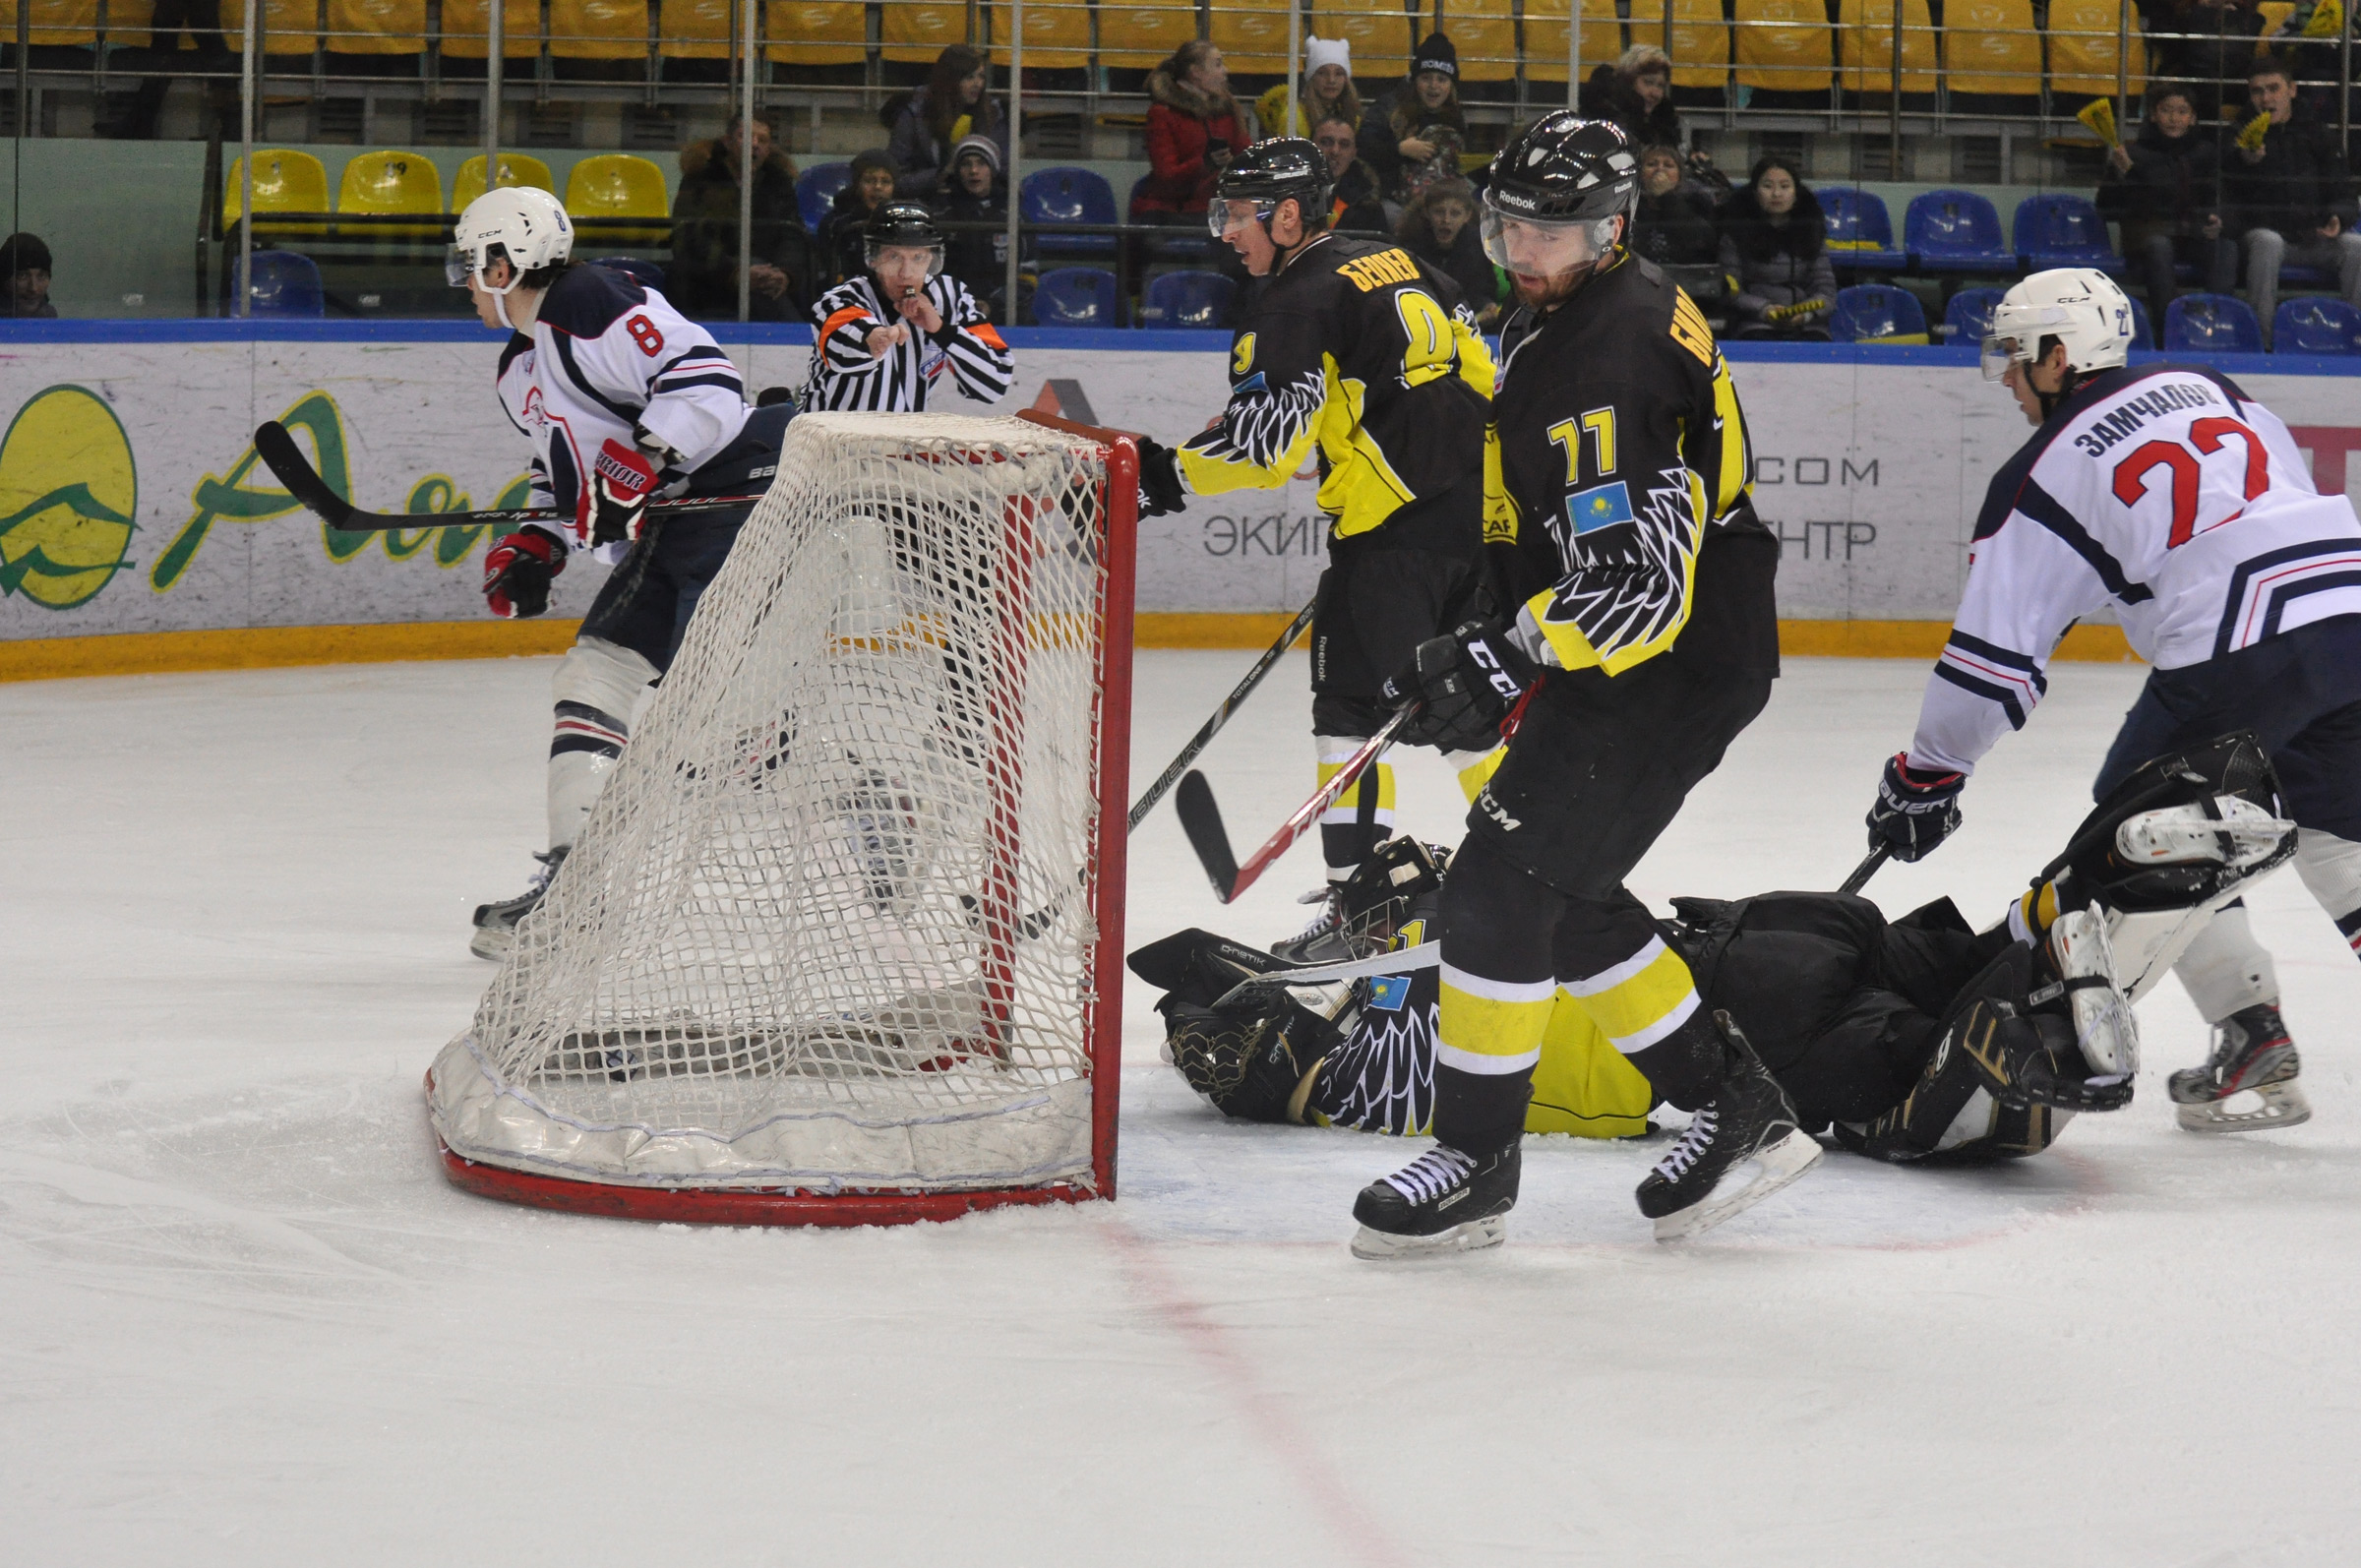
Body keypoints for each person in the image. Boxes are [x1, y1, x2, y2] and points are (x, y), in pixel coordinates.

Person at [1350, 114, 1795, 1259]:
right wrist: (1486, 633)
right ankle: (1732, 1105)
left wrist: (1507, 652)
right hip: (1650, 647)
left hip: (1669, 659)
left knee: (1499, 892)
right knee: (1566, 886)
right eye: (1512, 226)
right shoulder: (1582, 309)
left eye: (1555, 232)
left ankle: (1476, 1161)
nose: (1524, 250)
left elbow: (1640, 585)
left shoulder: (1609, 348)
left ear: (1612, 230)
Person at [1137, 742, 2306, 1163]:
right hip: (1753, 934)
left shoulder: (1397, 1078)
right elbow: (1434, 891)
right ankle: (2107, 886)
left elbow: (1293, 1018)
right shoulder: (1403, 1027)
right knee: (1969, 951)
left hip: (1749, 1031)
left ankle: (2074, 977)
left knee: (1943, 1067)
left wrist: (1253, 988)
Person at [1862, 267, 2361, 1135]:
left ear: (2057, 357)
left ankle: (2246, 1025)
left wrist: (1927, 774)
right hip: (2353, 598)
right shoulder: (2204, 384)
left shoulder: (2043, 470)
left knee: (2138, 833)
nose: (2011, 383)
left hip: (2243, 635)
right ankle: (2246, 1027)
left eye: (2017, 362)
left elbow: (1989, 661)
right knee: (2339, 836)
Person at [1128, 139, 1494, 959]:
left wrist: (1165, 480)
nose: (1226, 231)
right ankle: (1367, 899)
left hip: (1395, 531)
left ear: (1289, 215)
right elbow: (1480, 367)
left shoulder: (1292, 301)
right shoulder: (1391, 258)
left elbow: (1263, 450)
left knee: (1438, 714)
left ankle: (1532, 882)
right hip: (1468, 519)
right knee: (1380, 705)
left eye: (1240, 214)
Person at [446, 187, 789, 958]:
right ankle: (576, 894)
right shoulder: (518, 367)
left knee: (725, 719)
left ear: (506, 263)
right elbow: (568, 476)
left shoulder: (592, 298)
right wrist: (538, 542)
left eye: (472, 266)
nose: (465, 283)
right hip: (676, 526)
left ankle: (884, 808)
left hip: (732, 501)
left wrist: (644, 460)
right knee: (593, 678)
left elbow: (707, 385)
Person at [800, 202, 1014, 412]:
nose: (906, 273)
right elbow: (844, 351)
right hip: (830, 443)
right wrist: (875, 338)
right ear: (873, 258)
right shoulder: (839, 301)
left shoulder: (952, 298)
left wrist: (942, 330)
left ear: (931, 258)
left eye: (918, 258)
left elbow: (995, 383)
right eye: (894, 257)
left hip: (902, 445)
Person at [2222, 55, 2361, 345]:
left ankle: (2355, 338)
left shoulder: (2318, 133)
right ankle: (2263, 340)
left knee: (2356, 246)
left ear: (2292, 90)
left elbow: (2343, 190)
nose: (2266, 98)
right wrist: (2246, 164)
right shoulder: (2237, 135)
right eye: (2257, 91)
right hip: (2266, 236)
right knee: (2267, 243)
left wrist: (2338, 216)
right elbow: (2226, 196)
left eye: (2273, 89)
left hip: (2313, 236)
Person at [2096, 86, 2237, 329]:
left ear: (2192, 118)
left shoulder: (2206, 153)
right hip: (2149, 239)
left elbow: (2219, 197)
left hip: (2193, 236)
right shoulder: (2132, 154)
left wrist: (2217, 220)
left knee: (2226, 248)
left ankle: (2217, 322)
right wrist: (2122, 176)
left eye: (2182, 111)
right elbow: (2106, 208)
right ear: (2153, 115)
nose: (2174, 119)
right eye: (2166, 110)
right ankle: (2169, 329)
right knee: (2159, 245)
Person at [669, 111, 810, 323]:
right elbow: (690, 239)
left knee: (780, 280)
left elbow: (791, 234)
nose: (754, 144)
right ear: (728, 142)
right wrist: (735, 272)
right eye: (746, 136)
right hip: (708, 279)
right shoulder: (701, 178)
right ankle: (799, 340)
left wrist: (785, 273)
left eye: (762, 140)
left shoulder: (778, 181)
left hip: (765, 274)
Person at [1131, 40, 1249, 227]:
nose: (1225, 71)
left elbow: (1245, 155)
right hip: (1171, 210)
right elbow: (1166, 177)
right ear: (1196, 72)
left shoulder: (1228, 110)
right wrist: (1204, 164)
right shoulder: (1163, 113)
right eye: (1217, 64)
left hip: (1214, 209)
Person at [1717, 155, 1837, 338]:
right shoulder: (1735, 234)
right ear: (1755, 193)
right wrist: (1765, 309)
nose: (1776, 194)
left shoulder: (1811, 231)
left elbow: (1826, 290)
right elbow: (1730, 292)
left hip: (1808, 324)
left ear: (1796, 193)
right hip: (1755, 322)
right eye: (1767, 186)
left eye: (1785, 186)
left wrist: (1805, 315)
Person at [887, 43, 1008, 199]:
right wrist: (939, 176)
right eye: (969, 77)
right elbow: (894, 178)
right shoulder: (914, 113)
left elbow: (1005, 173)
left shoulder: (993, 114)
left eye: (981, 76)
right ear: (949, 80)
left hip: (977, 208)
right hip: (925, 202)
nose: (977, 84)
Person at [1361, 33, 1466, 203]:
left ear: (1451, 85)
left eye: (1442, 79)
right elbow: (1363, 147)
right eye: (1426, 78)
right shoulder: (1389, 107)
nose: (1434, 86)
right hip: (1389, 198)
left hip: (1439, 204)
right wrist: (1399, 150)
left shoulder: (1454, 115)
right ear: (1414, 80)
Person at [1396, 176, 1501, 327]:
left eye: (1455, 213)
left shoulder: (1479, 246)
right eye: (1439, 212)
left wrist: (1486, 306)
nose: (1446, 220)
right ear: (1426, 212)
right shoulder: (1409, 246)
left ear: (1467, 216)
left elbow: (1481, 291)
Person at [936, 135, 1014, 321]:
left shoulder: (1012, 215)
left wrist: (993, 304)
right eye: (966, 164)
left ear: (993, 170)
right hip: (948, 315)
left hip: (1005, 318)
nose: (973, 170)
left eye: (981, 163)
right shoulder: (941, 214)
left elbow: (1027, 277)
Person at [816, 150, 898, 289]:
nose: (878, 187)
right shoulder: (835, 223)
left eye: (885, 181)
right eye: (869, 180)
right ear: (857, 185)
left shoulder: (904, 219)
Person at [1254, 34, 1360, 141]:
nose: (1331, 80)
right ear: (1311, 77)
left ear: (1346, 79)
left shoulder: (1354, 117)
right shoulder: (1293, 118)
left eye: (1339, 73)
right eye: (1322, 73)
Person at [1630, 143, 1719, 270]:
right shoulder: (1630, 205)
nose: (1660, 170)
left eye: (1668, 165)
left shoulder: (1697, 203)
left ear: (1679, 175)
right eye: (1651, 165)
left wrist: (1666, 197)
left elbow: (1699, 245)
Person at [1578, 45, 1683, 151]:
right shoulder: (1603, 120)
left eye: (1661, 86)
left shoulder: (1664, 124)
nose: (1655, 93)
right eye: (1648, 82)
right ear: (1628, 81)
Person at [1311, 114, 1388, 235]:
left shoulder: (1368, 206)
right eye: (1326, 142)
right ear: (1310, 148)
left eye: (1344, 144)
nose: (1335, 151)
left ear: (1353, 154)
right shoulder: (1290, 198)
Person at [1, 233, 55, 317]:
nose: (33, 288)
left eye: (41, 276)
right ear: (4, 278)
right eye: (22, 276)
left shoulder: (48, 316)